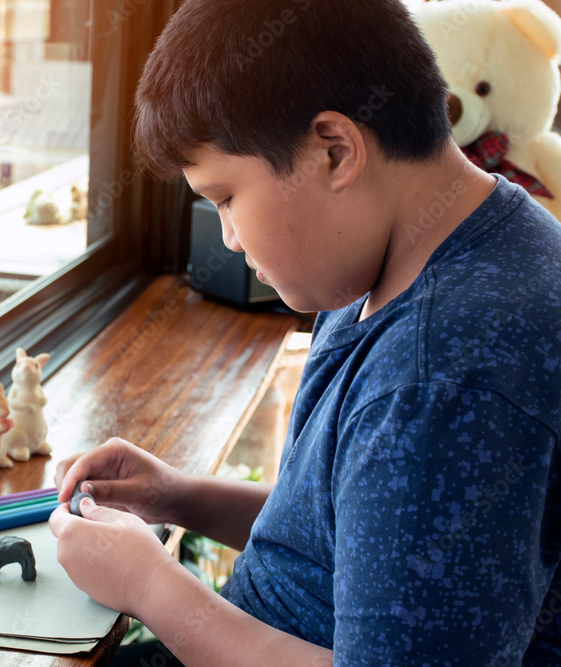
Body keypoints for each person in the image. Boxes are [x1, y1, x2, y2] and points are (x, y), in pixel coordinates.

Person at [47, 0, 561, 665]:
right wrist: (182, 496)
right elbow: (363, 528)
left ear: (335, 150)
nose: (228, 237)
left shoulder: (441, 382)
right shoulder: (415, 251)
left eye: (226, 196)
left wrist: (151, 584)